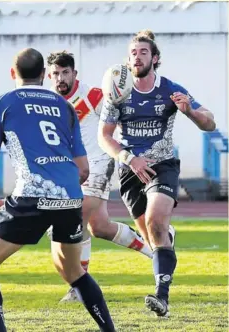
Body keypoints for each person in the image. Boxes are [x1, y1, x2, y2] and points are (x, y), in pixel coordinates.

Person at [0, 48, 116, 332]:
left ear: (13, 74)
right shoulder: (64, 106)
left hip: (31, 196)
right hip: (71, 197)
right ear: (43, 75)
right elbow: (83, 168)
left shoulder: (2, 103)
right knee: (74, 272)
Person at [98, 30, 216, 317]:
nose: (136, 57)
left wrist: (189, 111)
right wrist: (129, 158)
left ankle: (161, 298)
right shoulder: (117, 93)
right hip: (130, 171)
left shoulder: (170, 88)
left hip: (162, 166)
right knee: (153, 238)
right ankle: (165, 242)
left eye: (142, 52)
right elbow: (105, 136)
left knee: (156, 220)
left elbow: (209, 122)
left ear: (155, 58)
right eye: (132, 53)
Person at [46, 51, 153, 302]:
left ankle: (79, 287)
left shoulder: (93, 95)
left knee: (77, 216)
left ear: (74, 73)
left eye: (65, 73)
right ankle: (156, 250)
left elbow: (116, 122)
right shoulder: (49, 101)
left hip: (98, 164)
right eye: (55, 74)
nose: (60, 78)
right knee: (100, 227)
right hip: (70, 171)